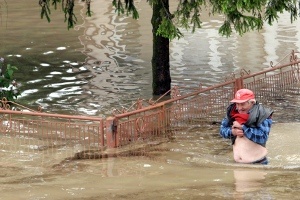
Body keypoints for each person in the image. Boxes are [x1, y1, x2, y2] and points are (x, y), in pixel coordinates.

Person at [220, 88, 273, 164]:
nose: (239, 108)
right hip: (237, 164)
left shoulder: (262, 114)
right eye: (237, 104)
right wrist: (232, 132)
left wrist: (243, 127)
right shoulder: (232, 112)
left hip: (258, 163)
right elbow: (222, 130)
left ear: (252, 102)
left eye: (242, 104)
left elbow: (262, 137)